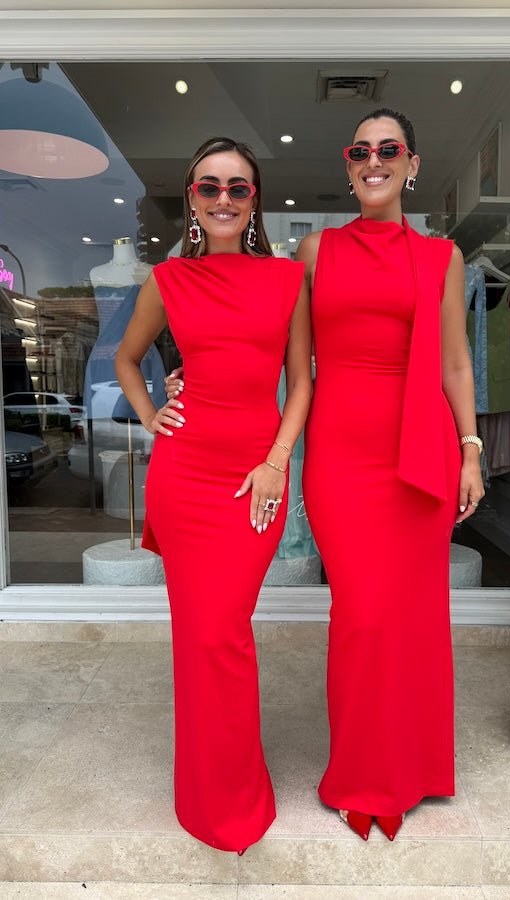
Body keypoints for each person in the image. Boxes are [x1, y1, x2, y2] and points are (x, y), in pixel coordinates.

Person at [165, 110, 484, 843]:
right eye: (360, 150)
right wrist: (193, 379)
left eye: (389, 149)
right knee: (362, 617)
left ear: (412, 164)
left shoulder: (442, 257)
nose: (374, 161)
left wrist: (470, 448)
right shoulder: (314, 251)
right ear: (348, 166)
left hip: (421, 451)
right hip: (341, 458)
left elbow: (456, 362)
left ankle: (413, 767)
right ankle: (363, 774)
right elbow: (263, 331)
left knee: (413, 619)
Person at [115, 137, 312, 854]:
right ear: (192, 199)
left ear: (254, 200)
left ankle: (232, 790)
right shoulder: (168, 281)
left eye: (238, 187)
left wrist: (276, 462)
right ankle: (211, 792)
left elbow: (302, 383)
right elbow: (126, 358)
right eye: (209, 187)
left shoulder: (287, 279)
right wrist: (151, 413)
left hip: (254, 477)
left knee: (222, 633)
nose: (223, 199)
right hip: (185, 475)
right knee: (201, 637)